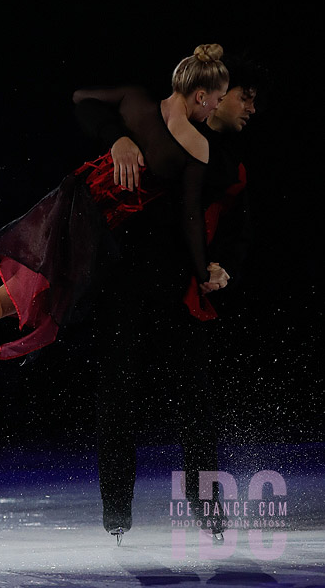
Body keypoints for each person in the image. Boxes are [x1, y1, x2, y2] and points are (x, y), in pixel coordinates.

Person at [0, 44, 231, 417]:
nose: (215, 108)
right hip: (88, 229)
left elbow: (82, 98)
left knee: (21, 297)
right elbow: (190, 216)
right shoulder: (195, 142)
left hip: (71, 206)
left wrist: (119, 136)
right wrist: (202, 271)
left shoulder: (137, 101)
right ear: (200, 95)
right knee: (13, 301)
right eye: (217, 100)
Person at [73, 53, 267, 542]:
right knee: (117, 391)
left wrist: (221, 270)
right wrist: (117, 137)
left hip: (184, 289)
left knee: (196, 401)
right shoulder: (168, 122)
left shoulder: (227, 161)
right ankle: (116, 511)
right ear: (211, 98)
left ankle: (208, 511)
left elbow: (233, 234)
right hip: (128, 275)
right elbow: (91, 104)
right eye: (240, 97)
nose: (245, 107)